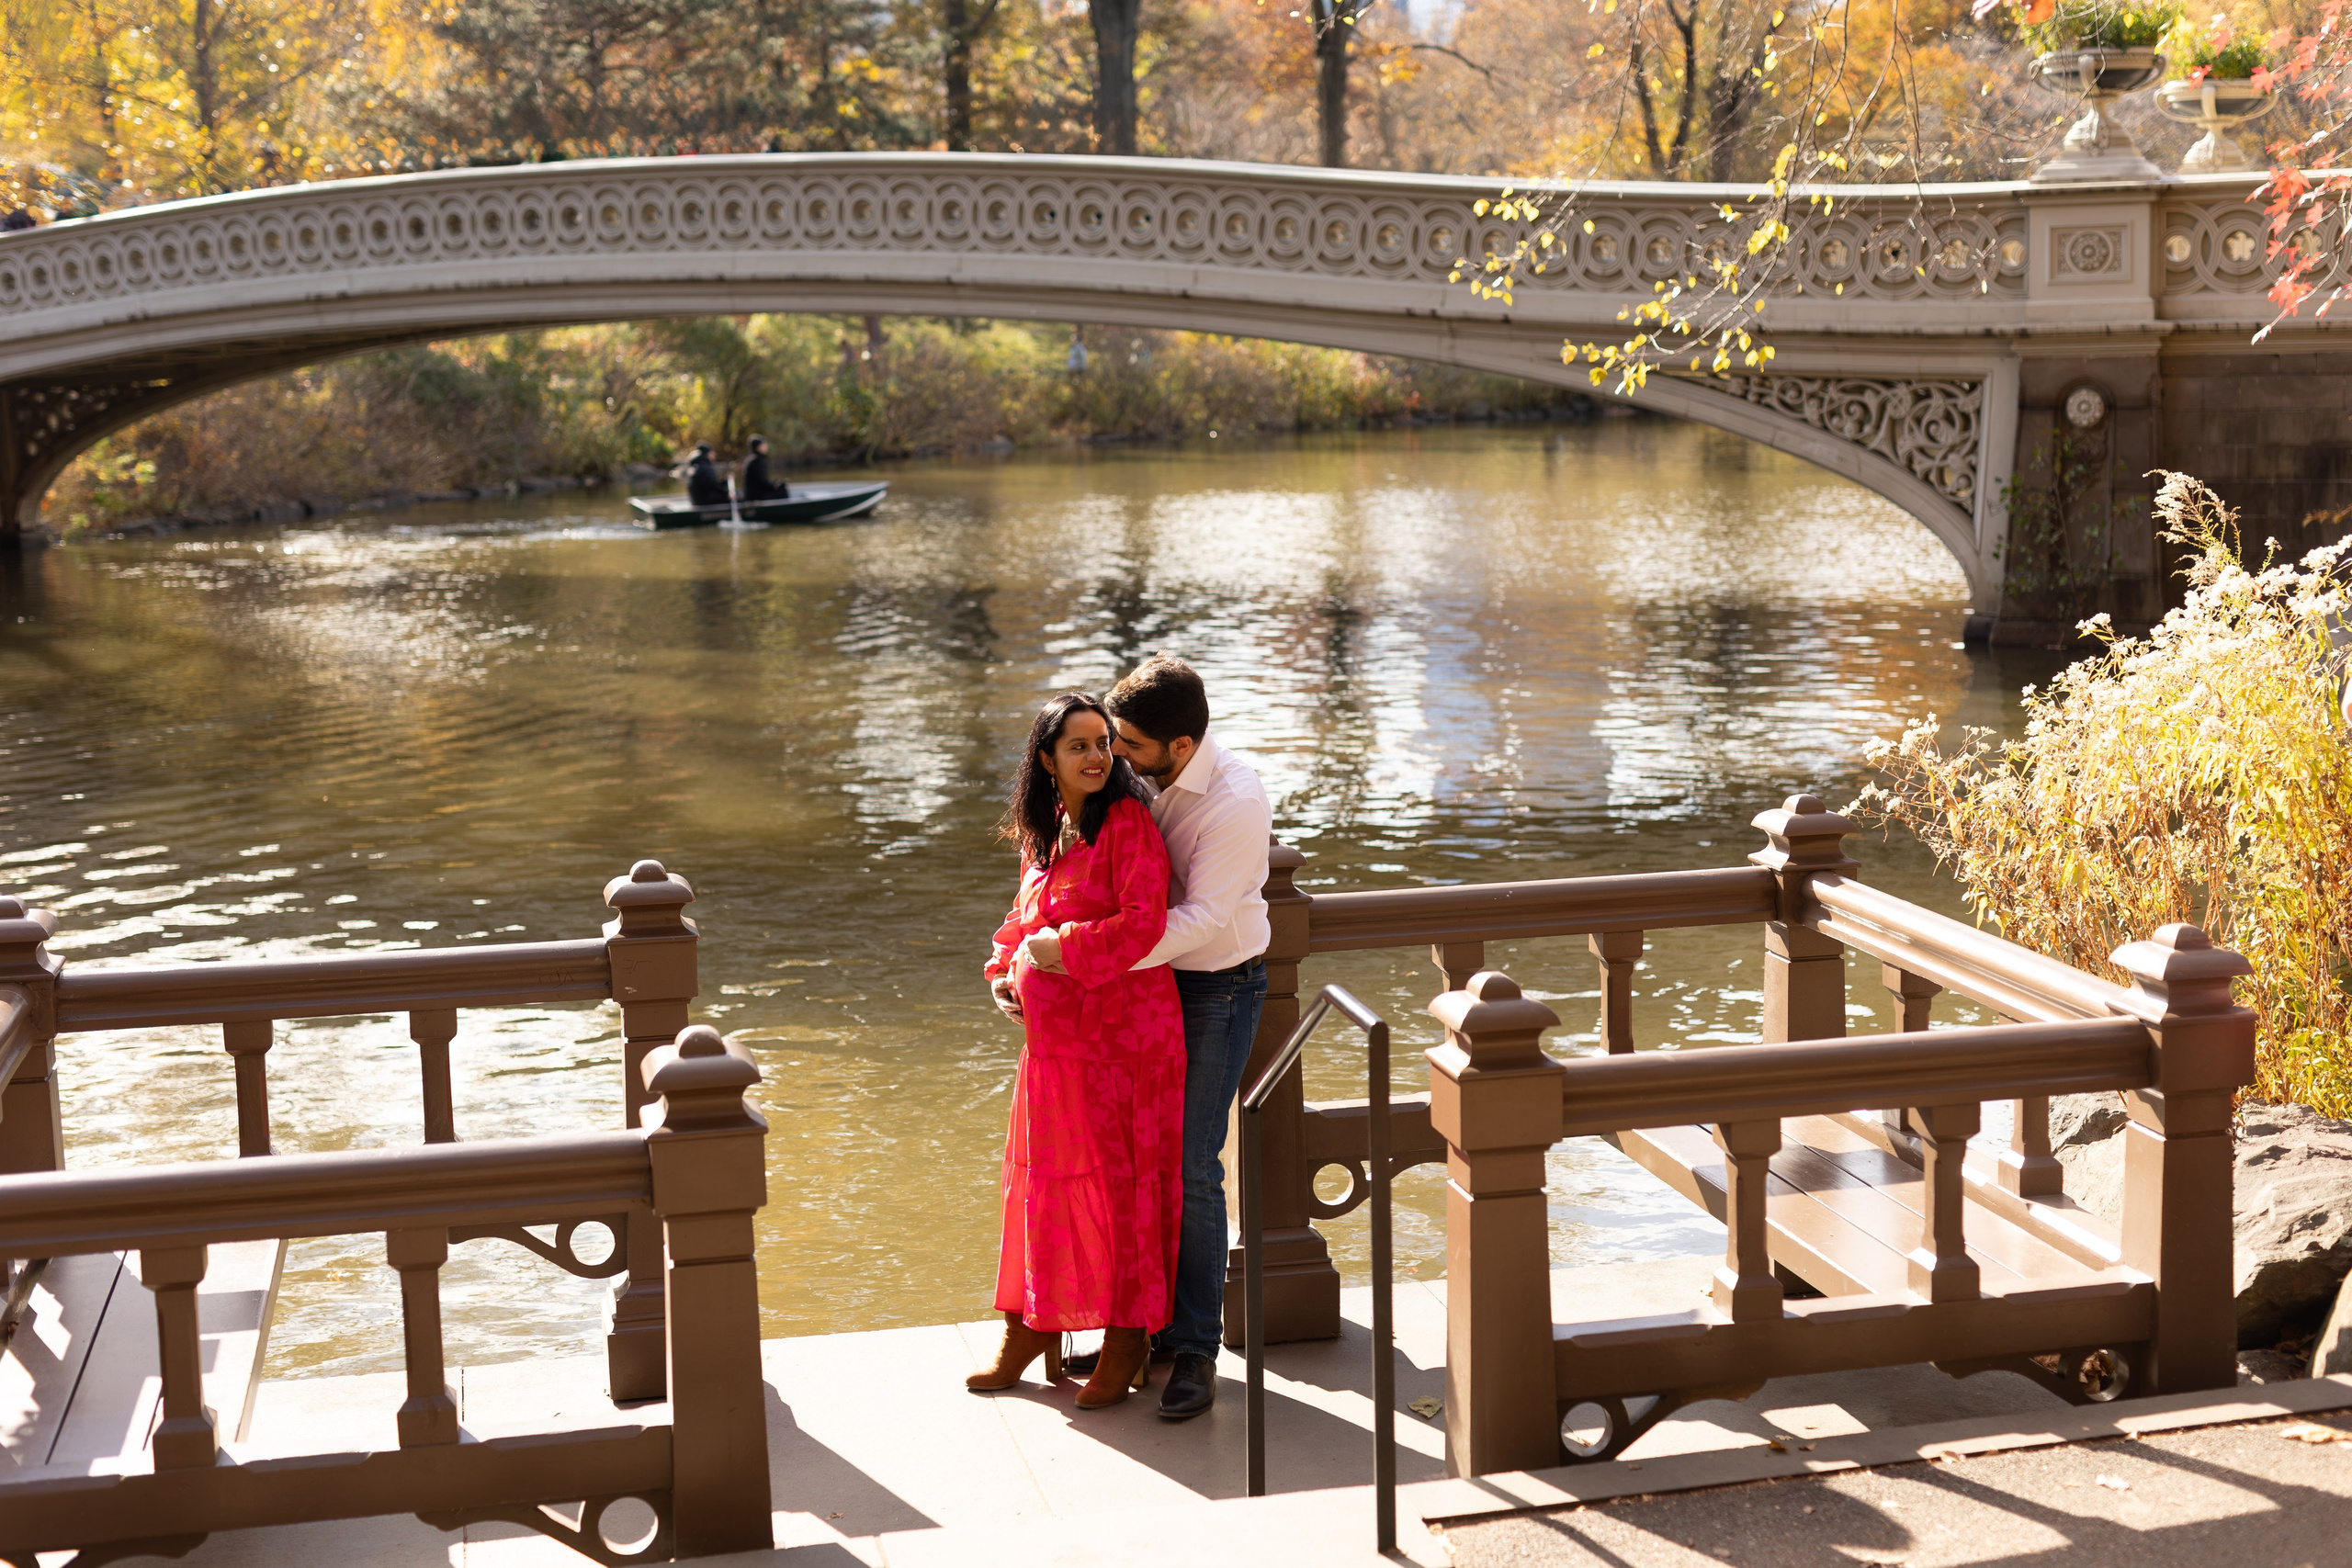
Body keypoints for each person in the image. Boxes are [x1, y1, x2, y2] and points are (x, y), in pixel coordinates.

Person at [968, 692, 1187, 1409]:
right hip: (1055, 1045)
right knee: (1042, 1183)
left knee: (1118, 1188)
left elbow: (1142, 924)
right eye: (1080, 746)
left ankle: (1127, 1336)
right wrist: (1006, 972)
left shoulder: (1128, 825)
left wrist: (1058, 951)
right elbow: (1017, 922)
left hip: (1126, 1040)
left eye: (1103, 743)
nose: (1098, 757)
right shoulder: (1043, 829)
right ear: (1046, 759)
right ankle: (1030, 1324)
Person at [1070, 652, 1272, 1420]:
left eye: (1128, 743)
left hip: (1217, 987)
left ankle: (1195, 1347)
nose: (1113, 754)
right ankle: (1139, 1328)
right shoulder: (1137, 779)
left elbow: (1203, 920)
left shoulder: (1235, 802)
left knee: (1191, 1167)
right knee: (1135, 1157)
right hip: (1147, 981)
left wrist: (1091, 956)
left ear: (1180, 747)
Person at [741, 436, 786, 502]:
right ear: (757, 447)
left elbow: (763, 481)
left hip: (757, 493)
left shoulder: (755, 459)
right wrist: (775, 486)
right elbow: (762, 483)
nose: (766, 446)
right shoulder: (755, 461)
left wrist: (776, 484)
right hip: (755, 497)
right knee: (782, 491)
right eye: (764, 445)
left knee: (781, 488)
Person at [684, 443, 729, 507]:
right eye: (713, 453)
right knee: (738, 499)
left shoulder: (697, 465)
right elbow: (714, 487)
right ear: (709, 454)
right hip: (704, 503)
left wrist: (725, 482)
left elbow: (710, 485)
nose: (714, 455)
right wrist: (727, 495)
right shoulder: (706, 468)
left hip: (696, 502)